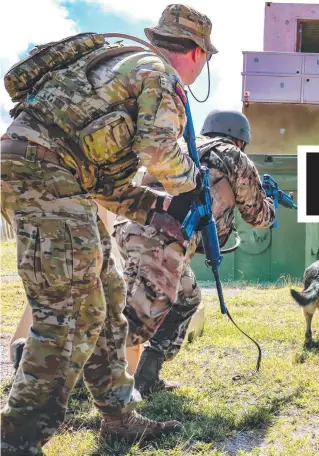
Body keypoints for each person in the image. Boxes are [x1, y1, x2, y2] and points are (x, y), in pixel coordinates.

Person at [0, 4, 216, 456]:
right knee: (69, 312)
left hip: (49, 171)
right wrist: (192, 183)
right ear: (196, 53)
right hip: (47, 174)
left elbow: (103, 179)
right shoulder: (159, 76)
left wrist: (155, 209)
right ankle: (17, 442)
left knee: (108, 295)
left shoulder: (119, 61)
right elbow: (159, 150)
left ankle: (119, 415)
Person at [112, 109, 276, 395]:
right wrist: (271, 203)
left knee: (187, 298)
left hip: (131, 226)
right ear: (240, 139)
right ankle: (51, 352)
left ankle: (147, 376)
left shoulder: (184, 145)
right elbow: (258, 216)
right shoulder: (232, 156)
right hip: (163, 235)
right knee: (134, 322)